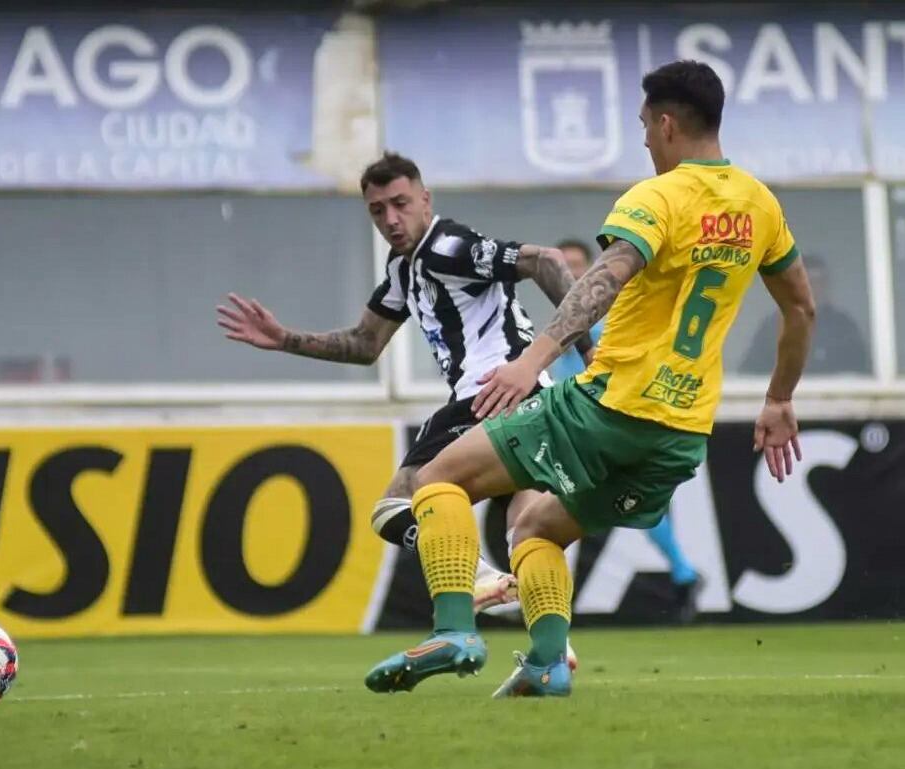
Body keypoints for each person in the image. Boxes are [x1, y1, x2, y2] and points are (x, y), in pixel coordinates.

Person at [364, 60, 814, 697]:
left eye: (644, 127)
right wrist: (779, 399)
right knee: (536, 528)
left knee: (437, 479)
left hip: (610, 408)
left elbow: (603, 281)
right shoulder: (760, 205)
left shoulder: (657, 197)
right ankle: (547, 663)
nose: (645, 141)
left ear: (665, 122)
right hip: (680, 437)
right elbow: (800, 306)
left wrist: (531, 361)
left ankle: (456, 629)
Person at [216, 151, 592, 619]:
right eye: (378, 211)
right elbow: (364, 343)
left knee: (396, 505)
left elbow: (547, 260)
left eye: (401, 203)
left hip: (489, 395)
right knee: (527, 528)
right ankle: (552, 649)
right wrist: (284, 339)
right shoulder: (402, 269)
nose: (391, 219)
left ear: (425, 199)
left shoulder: (447, 246)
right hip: (532, 400)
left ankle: (479, 580)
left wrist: (589, 352)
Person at [552, 238, 703, 624]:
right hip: (572, 420)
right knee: (617, 503)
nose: (570, 275)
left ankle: (548, 598)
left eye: (576, 265)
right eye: (563, 267)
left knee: (561, 503)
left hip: (601, 420)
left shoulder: (609, 318)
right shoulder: (561, 318)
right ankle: (684, 573)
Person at [740, 254, 870, 375]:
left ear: (827, 285)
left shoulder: (843, 326)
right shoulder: (772, 327)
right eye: (807, 280)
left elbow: (858, 372)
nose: (813, 287)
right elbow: (751, 373)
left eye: (819, 281)